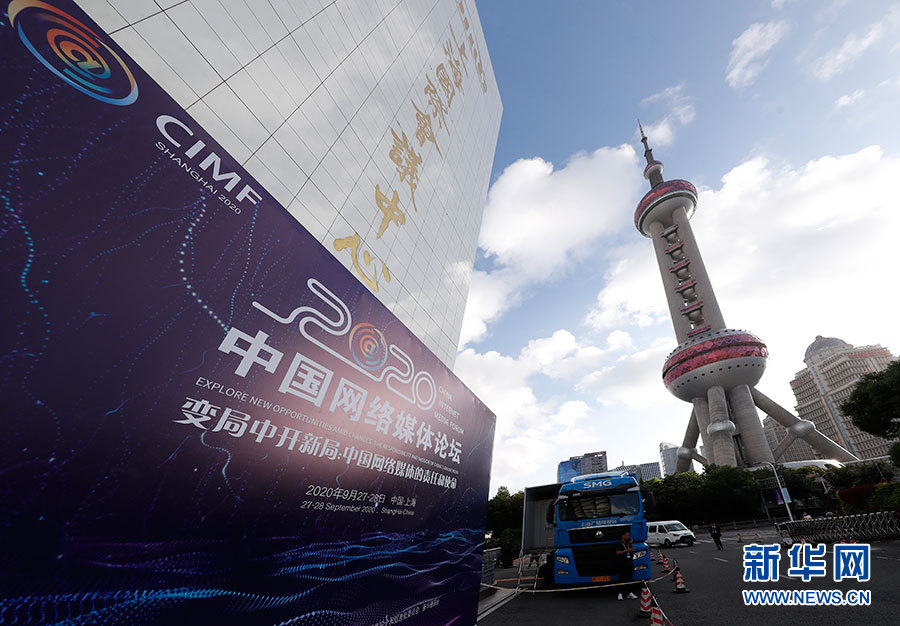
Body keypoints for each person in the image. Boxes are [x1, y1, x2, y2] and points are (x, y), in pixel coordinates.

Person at [615, 530, 638, 600]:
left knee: (629, 578)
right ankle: (620, 593)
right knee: (621, 578)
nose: (628, 537)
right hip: (622, 563)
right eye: (627, 535)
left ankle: (629, 593)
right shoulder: (619, 543)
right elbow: (617, 553)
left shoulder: (628, 543)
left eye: (629, 535)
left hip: (629, 562)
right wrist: (626, 551)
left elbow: (633, 550)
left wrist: (631, 543)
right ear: (623, 536)